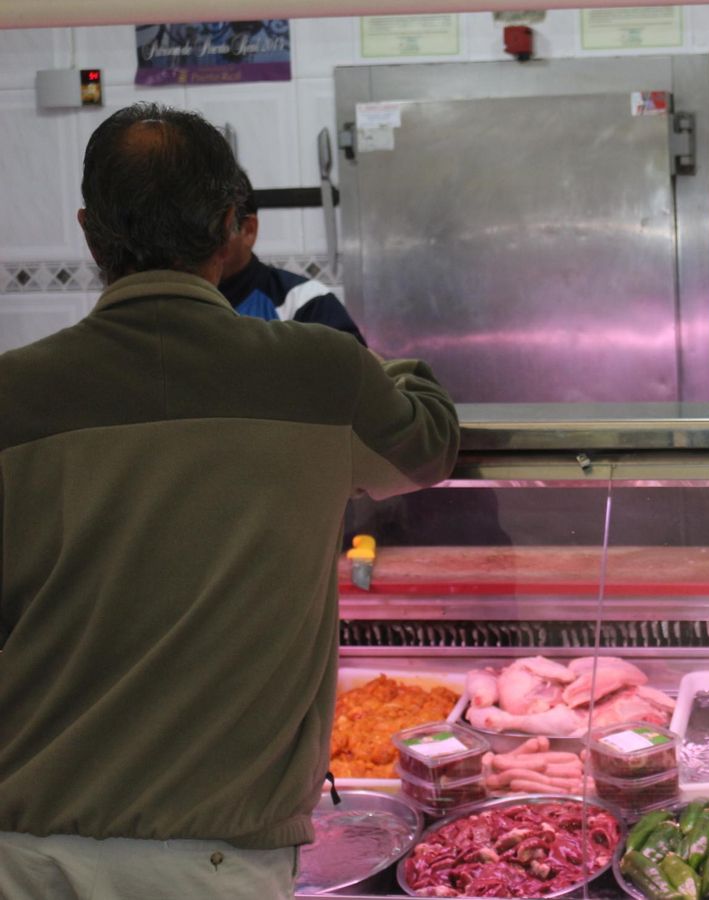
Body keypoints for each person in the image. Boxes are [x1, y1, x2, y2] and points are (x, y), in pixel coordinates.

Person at [0, 103, 460, 897]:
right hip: (209, 859)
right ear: (228, 224)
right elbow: (427, 446)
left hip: (20, 847)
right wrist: (392, 369)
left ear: (88, 229)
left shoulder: (12, 391)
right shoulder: (319, 370)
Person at [218, 169, 366, 344]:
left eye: (213, 229)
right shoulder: (180, 308)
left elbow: (357, 368)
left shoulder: (306, 303)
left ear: (249, 230)